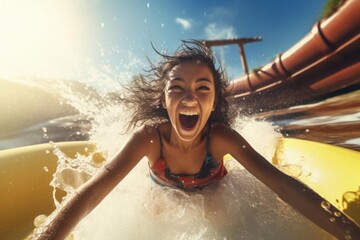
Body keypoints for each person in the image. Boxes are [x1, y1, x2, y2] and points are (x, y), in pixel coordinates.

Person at [33, 40, 359, 239]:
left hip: (215, 192)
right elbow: (94, 191)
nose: (190, 97)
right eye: (178, 88)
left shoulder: (220, 139)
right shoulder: (149, 140)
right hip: (164, 196)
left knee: (223, 217)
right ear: (164, 101)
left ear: (214, 102)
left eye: (203, 88)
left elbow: (282, 185)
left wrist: (348, 231)